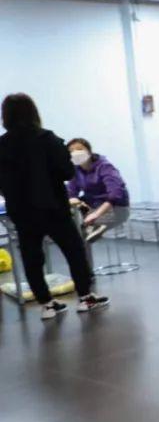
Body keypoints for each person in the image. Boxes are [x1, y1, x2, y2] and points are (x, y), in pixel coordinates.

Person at [0, 94, 110, 319]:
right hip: (52, 206)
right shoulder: (47, 139)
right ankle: (85, 297)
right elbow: (67, 172)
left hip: (21, 211)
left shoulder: (2, 145)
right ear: (33, 112)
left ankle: (47, 304)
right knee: (74, 251)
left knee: (31, 257)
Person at [66, 137, 130, 242]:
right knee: (68, 207)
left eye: (79, 149)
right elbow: (71, 191)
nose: (75, 153)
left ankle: (97, 224)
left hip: (116, 208)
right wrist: (72, 198)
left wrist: (96, 214)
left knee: (86, 227)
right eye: (71, 151)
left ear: (89, 152)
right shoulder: (76, 170)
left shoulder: (105, 166)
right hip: (92, 206)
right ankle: (92, 227)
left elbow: (115, 193)